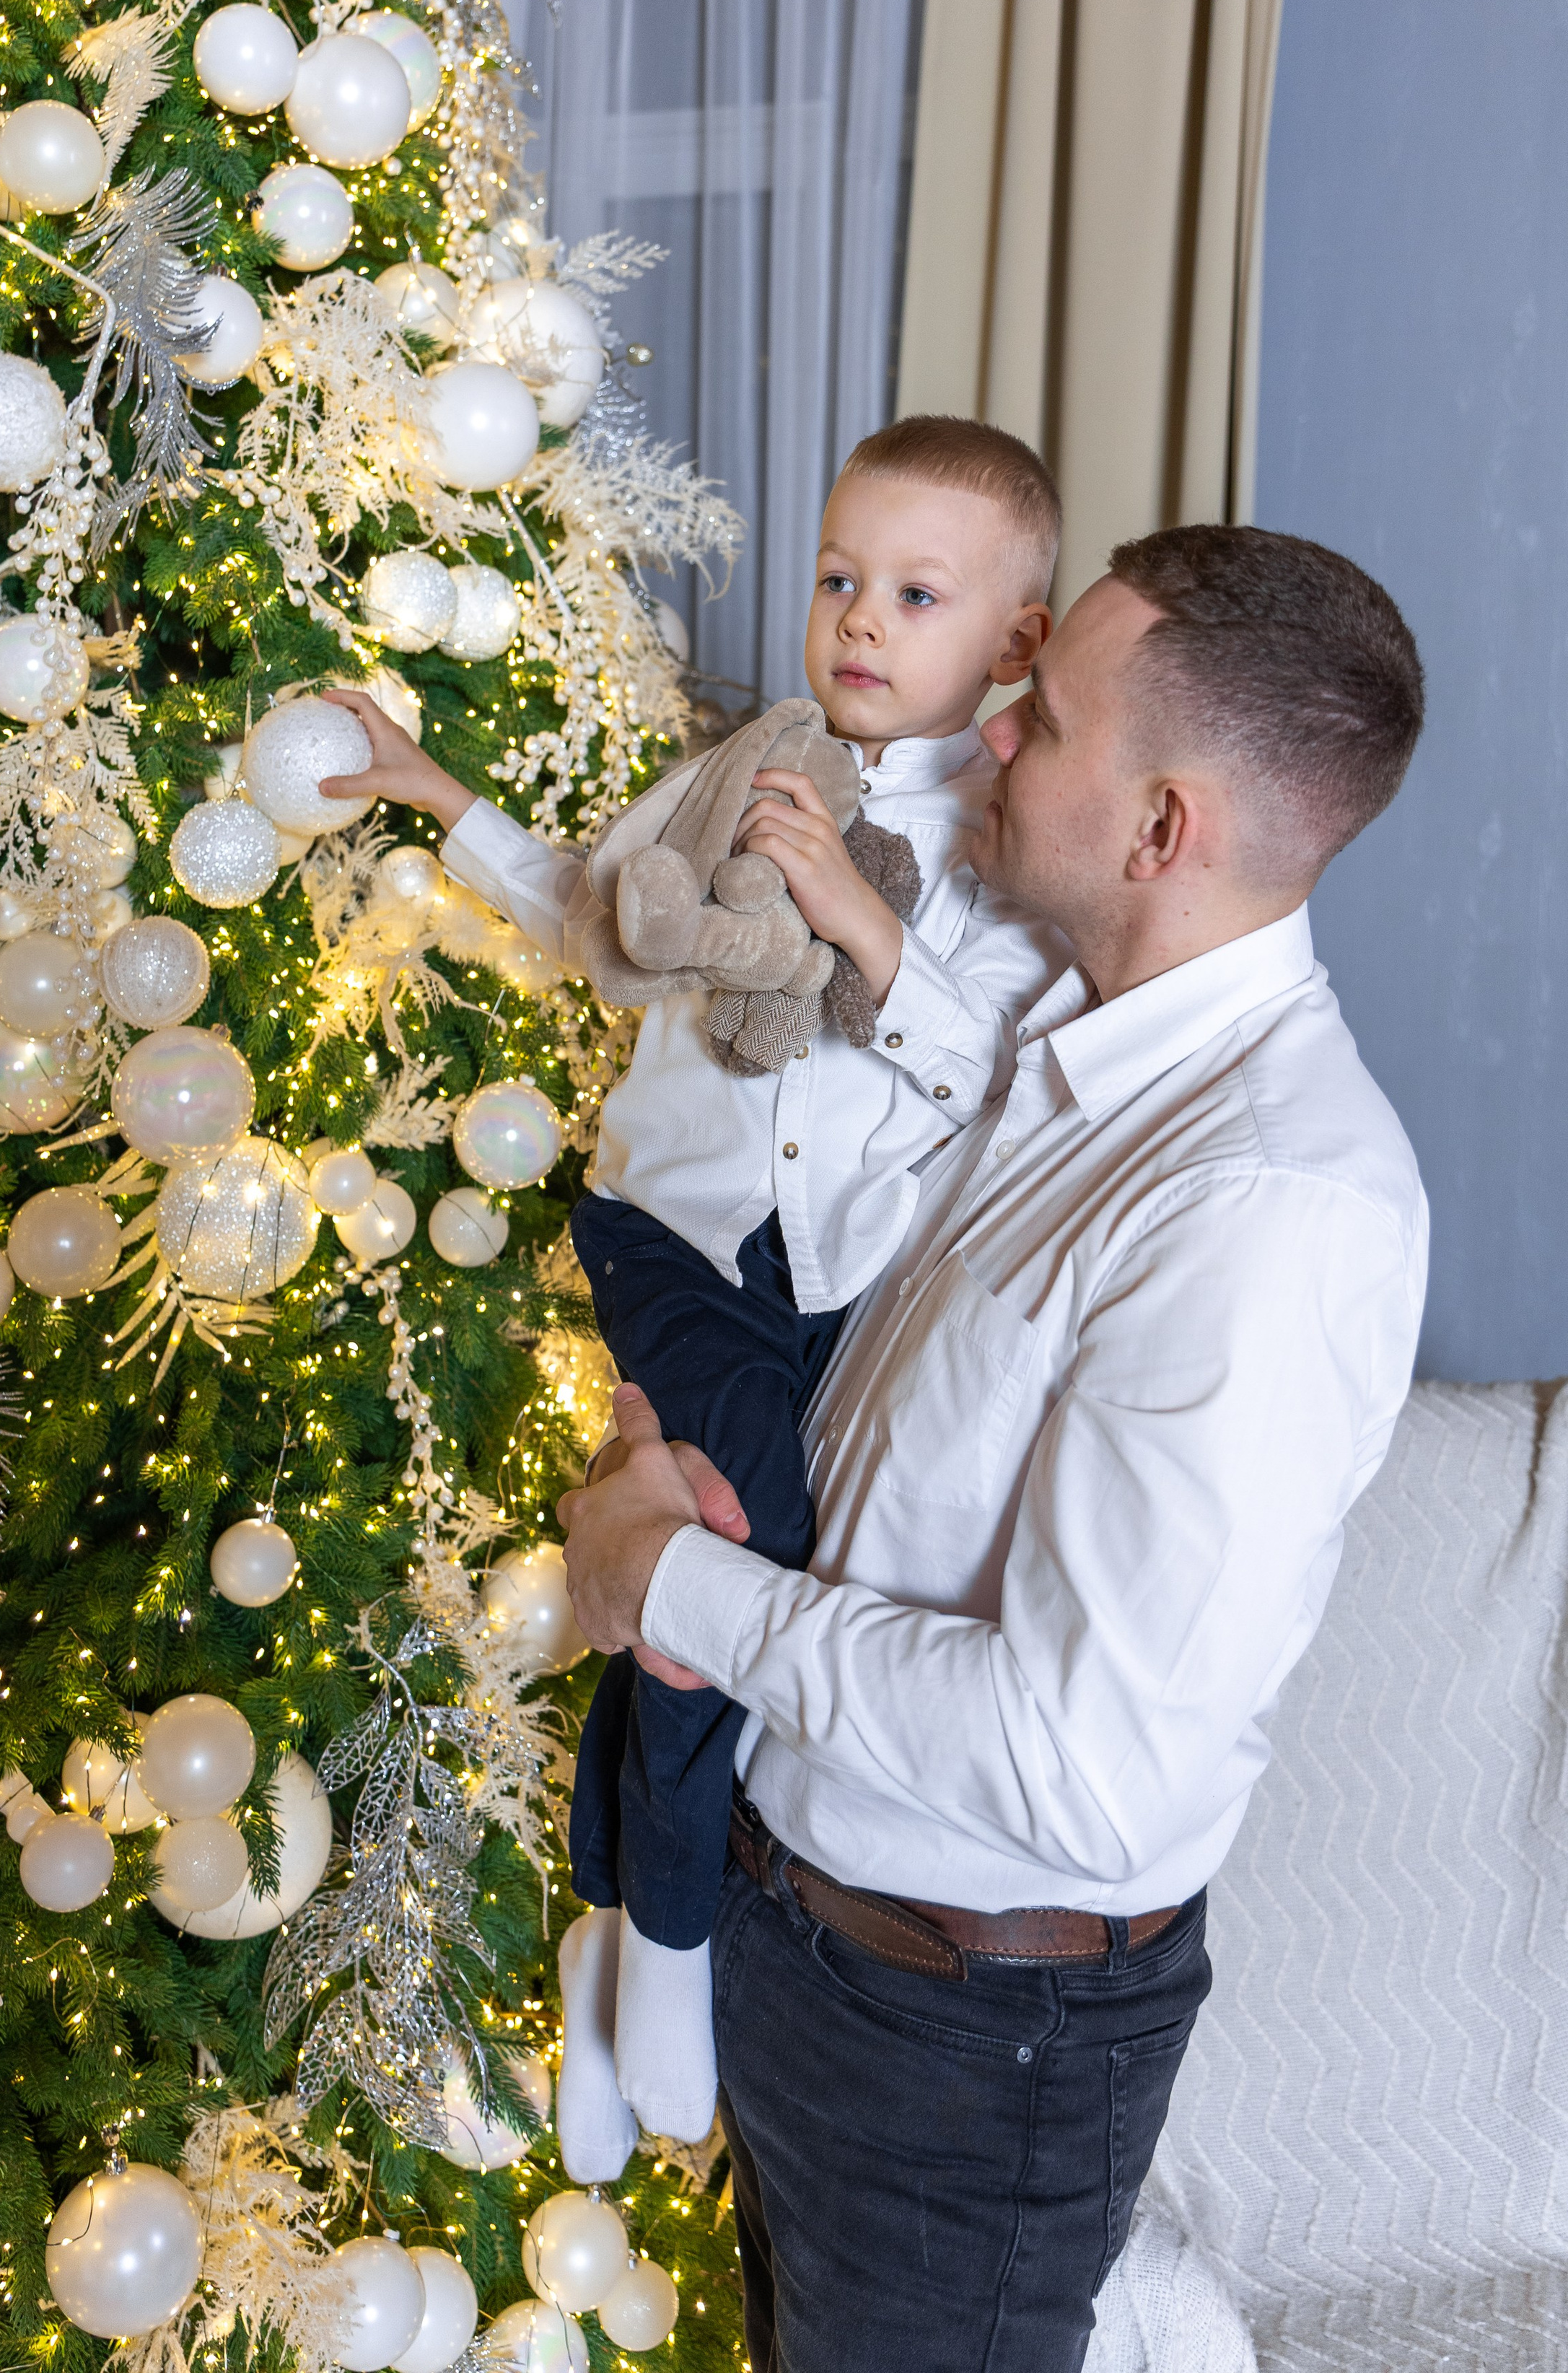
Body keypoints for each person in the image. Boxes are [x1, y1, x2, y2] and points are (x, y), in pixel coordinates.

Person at [558, 525, 1430, 2373]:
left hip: (955, 2046)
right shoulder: (1079, 1046)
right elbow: (951, 1114)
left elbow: (1080, 1769)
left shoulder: (1271, 1207)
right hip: (830, 1950)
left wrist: (680, 1584)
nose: (998, 728)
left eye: (1048, 713)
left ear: (1160, 828)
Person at [317, 415, 1070, 2168]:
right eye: (834, 579)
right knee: (727, 1544)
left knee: (735, 1574)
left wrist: (858, 923)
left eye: (911, 592)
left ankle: (607, 1919)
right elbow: (603, 915)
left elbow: (1010, 1084)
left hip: (843, 1292)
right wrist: (441, 798)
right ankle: (665, 1938)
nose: (857, 621)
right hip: (673, 1237)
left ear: (1015, 640)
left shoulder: (1009, 852)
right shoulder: (745, 767)